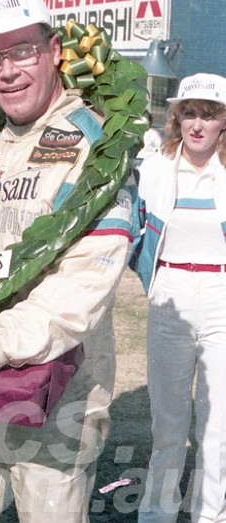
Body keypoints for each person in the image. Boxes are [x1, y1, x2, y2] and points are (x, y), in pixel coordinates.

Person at [0, 0, 138, 521]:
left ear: (54, 49)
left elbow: (82, 286)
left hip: (54, 389)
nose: (7, 71)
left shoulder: (96, 142)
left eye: (22, 51)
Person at [134, 73, 226, 521]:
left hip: (221, 296)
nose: (197, 124)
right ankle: (157, 512)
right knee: (167, 423)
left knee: (217, 426)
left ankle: (210, 513)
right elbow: (136, 230)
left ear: (223, 122)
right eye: (189, 112)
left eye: (209, 115)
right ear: (176, 118)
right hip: (169, 295)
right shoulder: (154, 168)